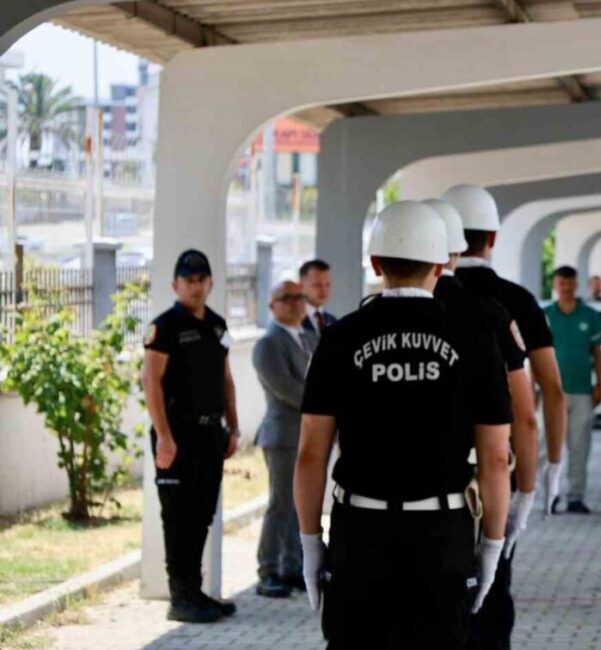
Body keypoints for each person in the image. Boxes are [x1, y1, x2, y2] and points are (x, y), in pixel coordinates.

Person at [293, 201, 513, 649]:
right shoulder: (475, 342)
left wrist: (310, 540)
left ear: (375, 263)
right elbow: (494, 458)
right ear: (440, 263)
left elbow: (311, 454)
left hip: (360, 533)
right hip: (443, 535)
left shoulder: (340, 338)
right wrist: (492, 544)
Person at [444, 184, 567, 650]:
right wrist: (544, 475)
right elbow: (547, 396)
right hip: (500, 471)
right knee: (492, 591)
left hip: (433, 474)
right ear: (492, 237)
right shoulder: (516, 300)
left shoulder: (432, 299)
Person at [142, 249, 241, 623]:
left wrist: (232, 425)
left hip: (210, 434)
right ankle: (179, 597)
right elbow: (150, 382)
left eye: (202, 279)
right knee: (178, 517)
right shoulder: (164, 327)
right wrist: (165, 437)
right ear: (175, 285)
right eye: (189, 280)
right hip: (177, 436)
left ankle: (194, 592)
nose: (196, 286)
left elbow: (225, 379)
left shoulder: (217, 325)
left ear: (210, 283)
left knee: (201, 516)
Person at [252, 280, 317, 598]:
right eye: (286, 298)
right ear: (272, 306)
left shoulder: (308, 337)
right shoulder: (268, 343)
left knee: (297, 504)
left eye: (299, 297)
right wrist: (327, 404)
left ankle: (291, 567)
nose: (295, 303)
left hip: (308, 437)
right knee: (280, 503)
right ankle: (267, 571)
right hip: (283, 436)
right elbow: (287, 389)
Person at [543, 266, 601, 515]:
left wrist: (599, 384)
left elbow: (598, 352)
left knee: (579, 446)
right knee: (548, 447)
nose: (566, 288)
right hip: (551, 393)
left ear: (576, 284)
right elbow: (533, 355)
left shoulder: (590, 315)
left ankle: (576, 497)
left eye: (570, 283)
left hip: (582, 391)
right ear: (555, 285)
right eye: (561, 283)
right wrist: (533, 387)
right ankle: (550, 495)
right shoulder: (545, 315)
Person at [299, 259, 336, 334]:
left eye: (327, 285)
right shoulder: (292, 321)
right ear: (301, 287)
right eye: (317, 285)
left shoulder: (332, 320)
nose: (324, 290)